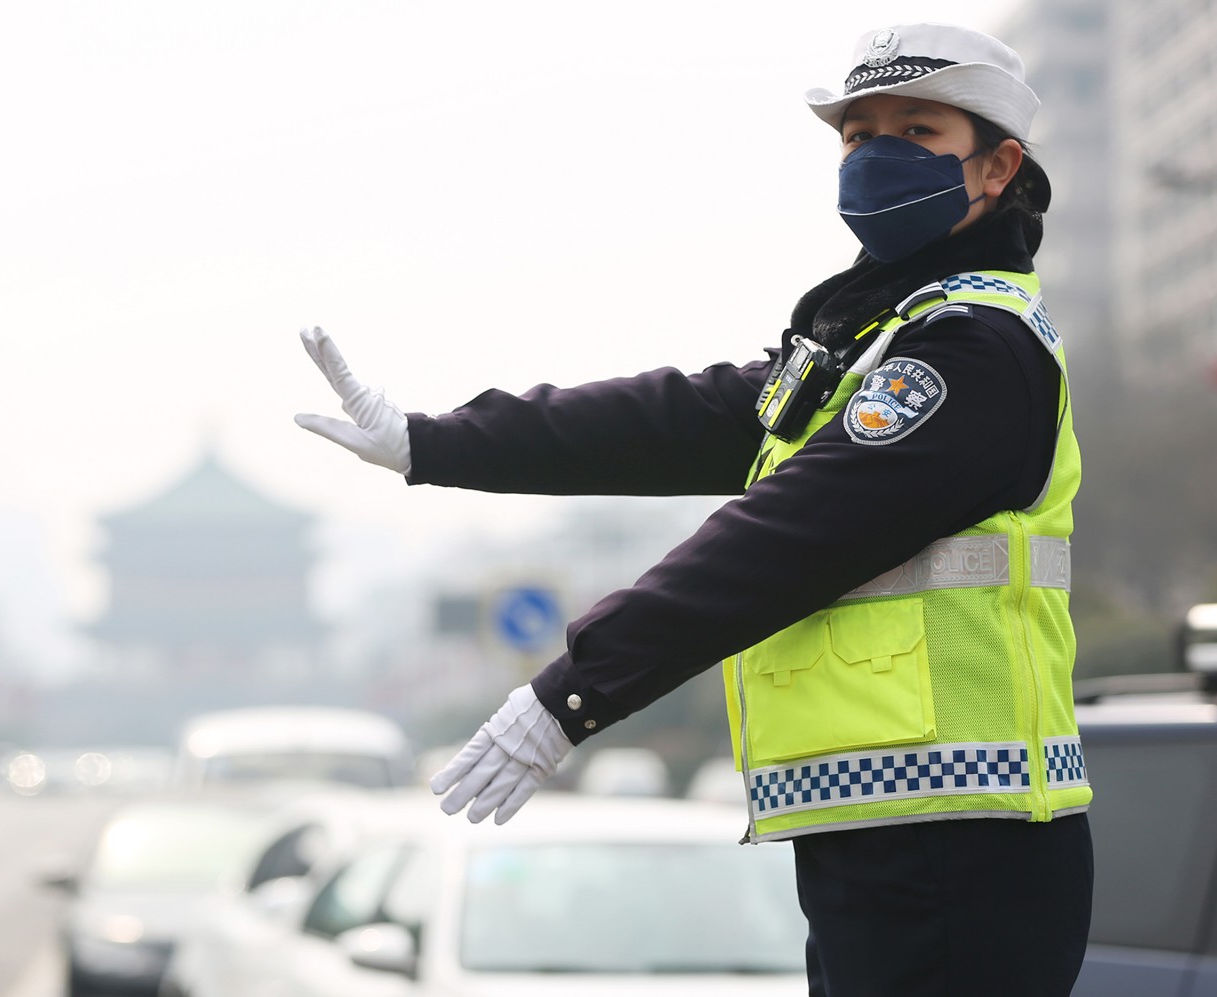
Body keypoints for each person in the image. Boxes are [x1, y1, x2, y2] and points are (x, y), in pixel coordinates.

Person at [295, 22, 1093, 996]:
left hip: (964, 849)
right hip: (886, 837)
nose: (877, 154)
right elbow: (669, 417)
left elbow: (786, 536)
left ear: (996, 165)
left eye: (918, 131)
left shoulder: (970, 351)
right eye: (856, 134)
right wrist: (434, 441)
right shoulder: (874, 339)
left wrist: (571, 694)